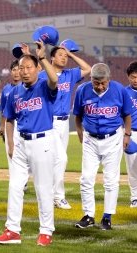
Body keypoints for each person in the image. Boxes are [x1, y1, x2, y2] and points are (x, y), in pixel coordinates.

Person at [0, 41, 58, 246]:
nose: (24, 71)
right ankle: (13, 230)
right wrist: (11, 144)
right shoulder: (14, 93)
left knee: (43, 187)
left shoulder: (43, 85)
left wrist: (42, 57)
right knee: (14, 186)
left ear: (37, 68)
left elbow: (55, 80)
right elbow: (10, 120)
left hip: (42, 141)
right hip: (21, 142)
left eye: (28, 67)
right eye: (21, 68)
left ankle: (46, 230)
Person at [73, 63, 132, 230]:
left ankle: (107, 216)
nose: (99, 86)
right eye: (96, 82)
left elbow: (127, 115)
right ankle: (88, 215)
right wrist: (79, 132)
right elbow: (77, 115)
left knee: (111, 180)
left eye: (103, 83)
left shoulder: (119, 90)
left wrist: (127, 135)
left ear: (109, 79)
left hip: (113, 138)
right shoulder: (82, 90)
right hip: (90, 139)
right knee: (86, 179)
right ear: (91, 79)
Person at [38, 46, 91, 210]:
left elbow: (88, 69)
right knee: (61, 159)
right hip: (49, 122)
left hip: (64, 122)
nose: (64, 58)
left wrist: (70, 54)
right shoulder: (42, 75)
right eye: (60, 55)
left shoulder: (70, 74)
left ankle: (49, 195)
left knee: (56, 160)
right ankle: (58, 197)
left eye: (65, 56)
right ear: (51, 58)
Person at [0, 60, 22, 187]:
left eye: (19, 69)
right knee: (11, 152)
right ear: (11, 72)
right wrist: (2, 125)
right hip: (10, 124)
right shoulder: (6, 89)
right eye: (14, 69)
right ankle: (16, 182)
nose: (16, 72)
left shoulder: (27, 87)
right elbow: (3, 109)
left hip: (23, 123)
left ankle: (23, 179)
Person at [124, 61, 137, 208]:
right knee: (133, 168)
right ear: (128, 77)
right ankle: (135, 197)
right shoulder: (124, 92)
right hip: (131, 133)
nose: (136, 79)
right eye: (133, 76)